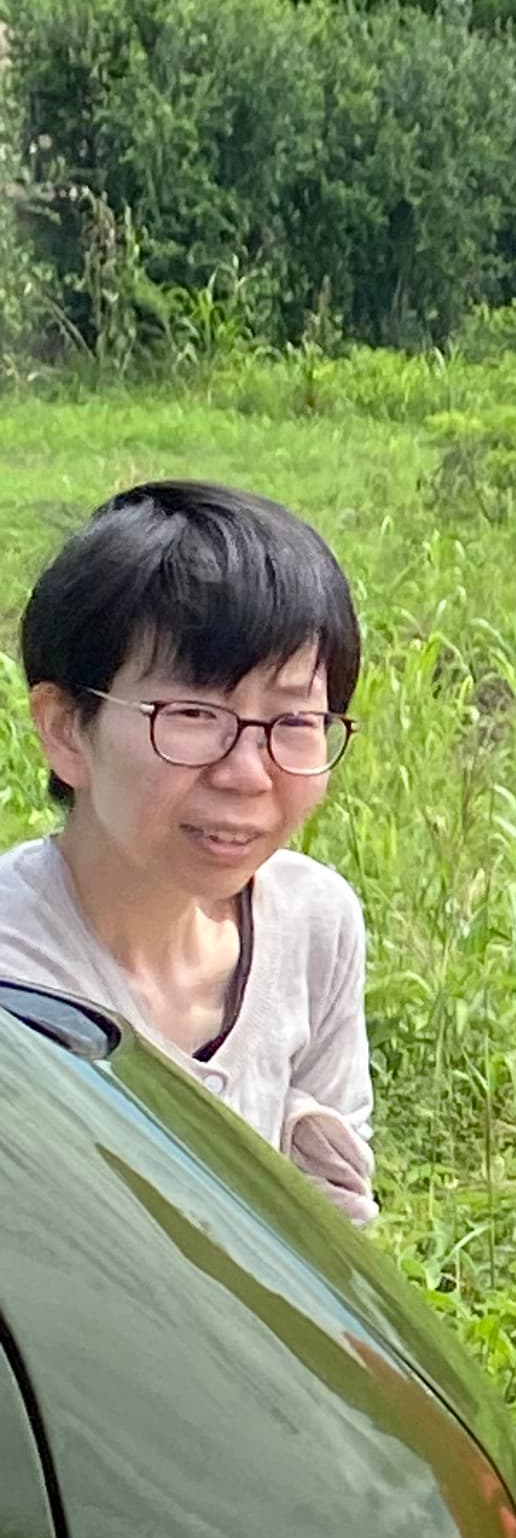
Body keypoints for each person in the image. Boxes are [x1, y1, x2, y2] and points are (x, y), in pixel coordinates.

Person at [5, 479, 375, 1221]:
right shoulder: (15, 982)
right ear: (66, 731)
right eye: (193, 715)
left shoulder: (314, 924)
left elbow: (335, 1237)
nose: (246, 774)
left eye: (293, 722)